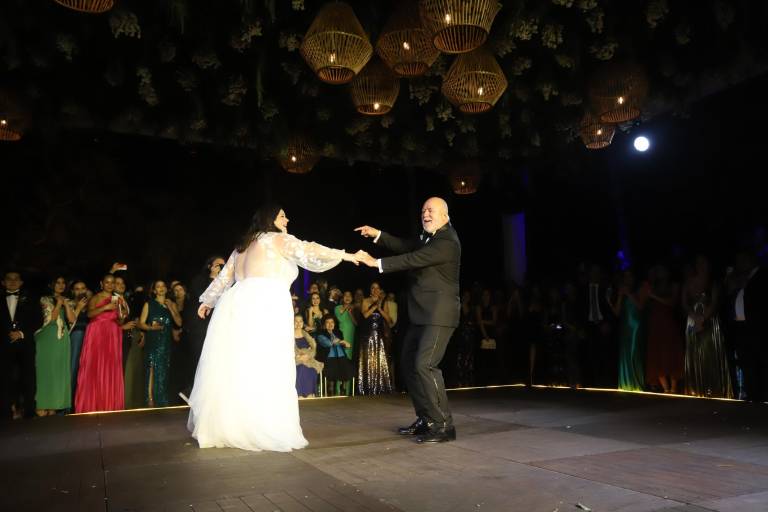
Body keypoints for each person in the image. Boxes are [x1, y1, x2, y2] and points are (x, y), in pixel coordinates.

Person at [187, 203, 361, 451]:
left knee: (238, 364)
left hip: (236, 305)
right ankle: (262, 426)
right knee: (268, 363)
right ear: (270, 218)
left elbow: (225, 277)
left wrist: (207, 301)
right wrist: (345, 254)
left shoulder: (242, 247)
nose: (287, 219)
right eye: (282, 215)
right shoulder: (277, 239)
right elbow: (309, 250)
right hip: (266, 304)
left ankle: (231, 425)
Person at [356, 197, 461, 443]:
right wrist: (378, 234)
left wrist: (376, 263)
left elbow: (412, 259)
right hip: (422, 314)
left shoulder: (447, 242)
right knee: (408, 365)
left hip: (439, 315)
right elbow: (405, 246)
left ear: (445, 216)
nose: (425, 213)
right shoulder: (427, 238)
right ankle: (427, 418)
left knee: (425, 365)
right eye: (423, 209)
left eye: (431, 210)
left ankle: (444, 425)